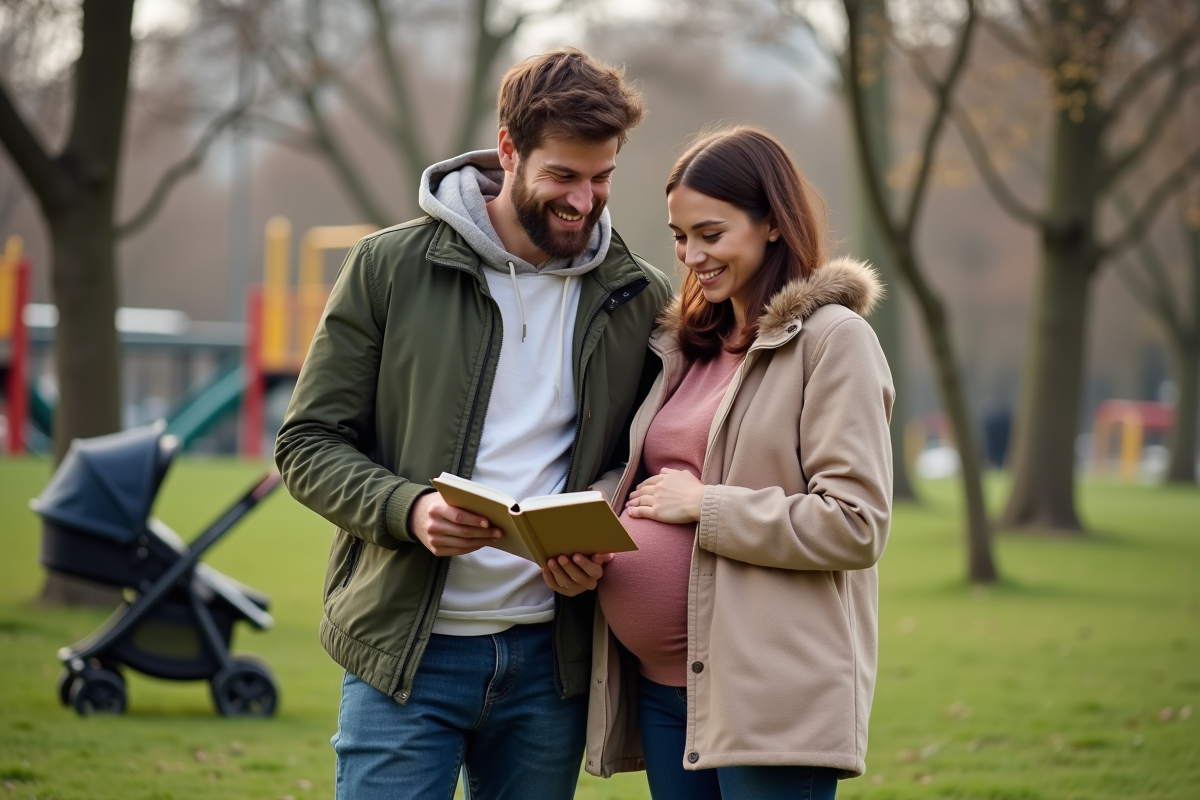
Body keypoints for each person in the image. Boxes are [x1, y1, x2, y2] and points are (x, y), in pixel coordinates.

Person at [275, 48, 671, 800]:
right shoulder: (387, 267)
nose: (585, 202)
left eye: (602, 178)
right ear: (509, 150)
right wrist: (410, 508)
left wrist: (601, 530)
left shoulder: (639, 295)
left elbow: (646, 458)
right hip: (404, 656)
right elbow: (305, 444)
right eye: (563, 176)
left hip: (549, 669)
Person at [585, 126, 895, 799]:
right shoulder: (687, 344)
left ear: (773, 225)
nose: (691, 255)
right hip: (667, 694)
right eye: (679, 236)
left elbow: (856, 523)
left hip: (768, 697)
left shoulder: (834, 343)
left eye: (711, 233)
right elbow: (646, 480)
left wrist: (707, 505)